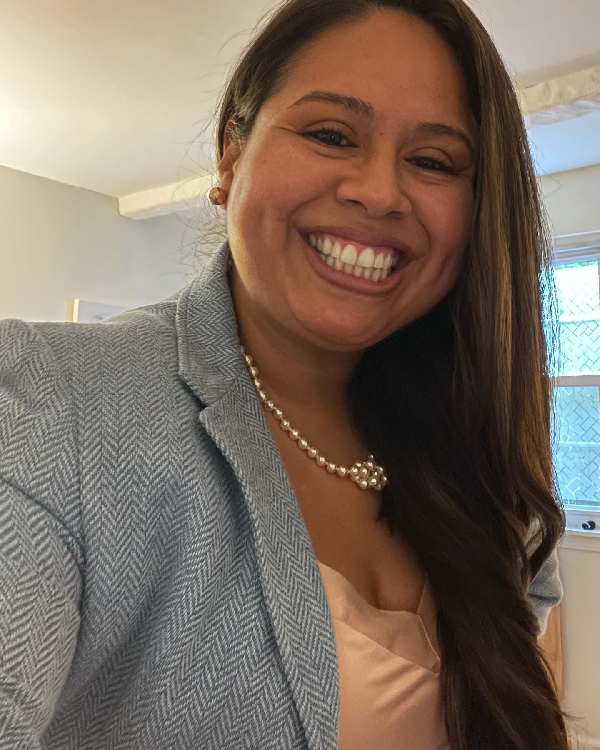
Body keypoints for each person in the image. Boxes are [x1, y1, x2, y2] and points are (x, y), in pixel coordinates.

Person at [0, 0, 576, 748]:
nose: (379, 192)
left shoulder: (475, 440)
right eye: (330, 134)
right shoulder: (51, 401)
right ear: (231, 154)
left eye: (434, 161)